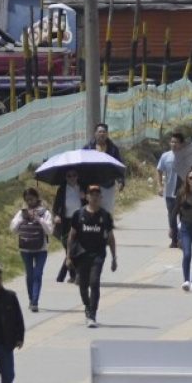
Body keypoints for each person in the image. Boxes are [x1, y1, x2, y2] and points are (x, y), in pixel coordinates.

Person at [66, 186, 117, 328]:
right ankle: (87, 306)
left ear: (101, 198)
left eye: (97, 195)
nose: (94, 197)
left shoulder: (105, 216)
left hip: (98, 254)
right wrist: (68, 256)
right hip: (82, 254)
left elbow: (111, 238)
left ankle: (92, 314)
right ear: (87, 197)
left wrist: (114, 257)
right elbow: (72, 236)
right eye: (91, 194)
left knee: (94, 282)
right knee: (83, 285)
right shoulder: (79, 214)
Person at [9, 186, 53, 313]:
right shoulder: (21, 213)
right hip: (25, 249)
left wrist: (39, 220)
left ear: (37, 199)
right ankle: (30, 298)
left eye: (32, 199)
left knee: (37, 275)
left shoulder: (45, 213)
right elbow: (13, 229)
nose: (30, 202)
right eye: (27, 200)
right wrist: (23, 218)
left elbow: (50, 230)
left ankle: (35, 301)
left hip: (41, 249)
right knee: (30, 275)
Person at [84, 123, 124, 214]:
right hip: (92, 183)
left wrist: (121, 180)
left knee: (107, 210)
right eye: (99, 132)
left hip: (108, 184)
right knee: (93, 208)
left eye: (104, 132)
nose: (102, 134)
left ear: (107, 134)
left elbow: (118, 165)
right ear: (95, 134)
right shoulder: (88, 148)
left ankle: (106, 226)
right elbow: (82, 166)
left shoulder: (113, 149)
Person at [52, 170, 85, 280]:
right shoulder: (62, 189)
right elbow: (56, 205)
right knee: (68, 247)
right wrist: (56, 215)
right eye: (69, 176)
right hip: (66, 221)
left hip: (80, 220)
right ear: (65, 177)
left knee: (77, 247)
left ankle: (71, 275)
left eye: (74, 175)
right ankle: (68, 274)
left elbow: (92, 203)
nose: (72, 178)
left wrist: (84, 197)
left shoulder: (82, 187)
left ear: (78, 176)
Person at [155, 131, 184, 250]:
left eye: (176, 142)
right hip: (169, 192)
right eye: (172, 142)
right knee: (172, 216)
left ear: (182, 144)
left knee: (184, 216)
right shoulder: (165, 156)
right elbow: (159, 170)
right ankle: (174, 240)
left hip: (183, 193)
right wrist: (160, 186)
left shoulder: (186, 156)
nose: (173, 144)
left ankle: (182, 238)